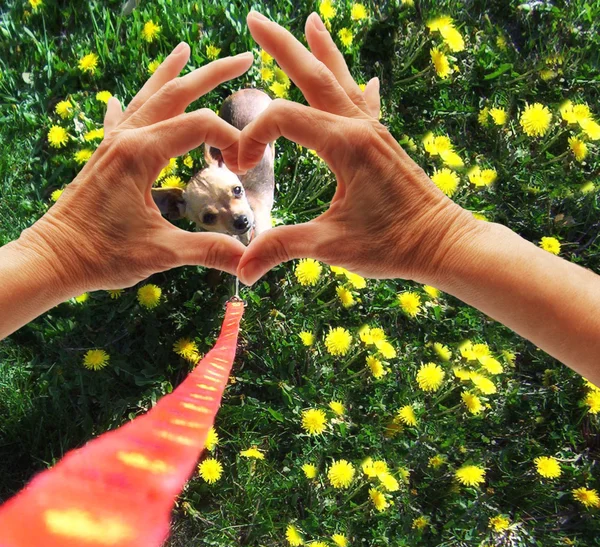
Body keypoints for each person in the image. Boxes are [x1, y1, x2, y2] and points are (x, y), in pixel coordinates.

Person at [0, 11, 598, 386]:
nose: (236, 214)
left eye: (235, 195)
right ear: (176, 212)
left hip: (251, 127)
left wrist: (58, 256)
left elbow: (240, 202)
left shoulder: (238, 182)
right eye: (211, 218)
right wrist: (440, 239)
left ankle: (254, 111)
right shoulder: (182, 204)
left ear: (225, 162)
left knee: (256, 154)